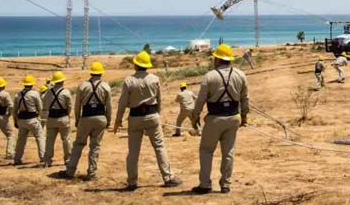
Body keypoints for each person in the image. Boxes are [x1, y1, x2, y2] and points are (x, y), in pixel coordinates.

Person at [115, 51, 182, 190]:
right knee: (159, 147)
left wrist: (118, 120)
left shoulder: (129, 81)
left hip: (135, 117)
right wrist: (158, 113)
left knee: (133, 151)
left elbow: (122, 103)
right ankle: (168, 177)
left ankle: (132, 182)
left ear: (135, 65)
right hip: (152, 115)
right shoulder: (154, 79)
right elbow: (159, 99)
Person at [190, 44, 249, 194]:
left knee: (206, 150)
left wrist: (195, 116)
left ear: (217, 59)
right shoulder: (240, 74)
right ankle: (225, 184)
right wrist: (244, 117)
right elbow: (245, 98)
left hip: (215, 118)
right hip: (233, 117)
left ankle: (205, 184)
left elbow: (200, 100)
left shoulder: (209, 76)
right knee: (228, 151)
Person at [60, 62, 111, 180]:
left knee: (78, 144)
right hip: (100, 117)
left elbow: (77, 105)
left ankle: (70, 171)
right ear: (101, 73)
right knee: (95, 146)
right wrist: (108, 120)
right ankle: (92, 173)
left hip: (86, 117)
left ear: (91, 72)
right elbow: (109, 106)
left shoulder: (83, 86)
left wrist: (77, 119)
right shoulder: (106, 86)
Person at [12, 75, 45, 166]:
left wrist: (15, 121)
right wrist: (39, 116)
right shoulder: (34, 94)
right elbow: (40, 107)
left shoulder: (17, 95)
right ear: (32, 84)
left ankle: (17, 159)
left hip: (21, 119)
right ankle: (43, 157)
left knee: (21, 140)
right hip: (32, 119)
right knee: (40, 137)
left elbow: (14, 110)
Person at [42, 71, 73, 168]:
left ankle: (47, 161)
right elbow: (69, 106)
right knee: (66, 139)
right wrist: (67, 114)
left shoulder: (48, 92)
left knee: (49, 140)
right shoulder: (66, 92)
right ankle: (68, 159)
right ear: (63, 80)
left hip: (51, 118)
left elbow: (45, 106)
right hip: (63, 117)